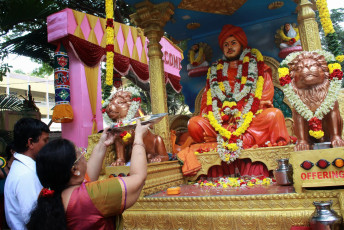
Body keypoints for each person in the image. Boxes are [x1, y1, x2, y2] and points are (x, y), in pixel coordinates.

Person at [181, 24, 290, 177]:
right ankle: (223, 137)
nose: (229, 47)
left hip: (249, 120)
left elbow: (265, 95)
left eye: (233, 43)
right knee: (193, 124)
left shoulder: (258, 67)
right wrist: (220, 118)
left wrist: (241, 114)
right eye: (226, 44)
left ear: (241, 44)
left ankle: (221, 140)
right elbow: (207, 103)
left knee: (275, 115)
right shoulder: (214, 72)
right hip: (221, 122)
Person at [27, 119, 149, 230]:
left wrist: (103, 144)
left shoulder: (48, 194)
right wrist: (138, 138)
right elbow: (138, 177)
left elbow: (87, 175)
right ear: (74, 170)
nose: (84, 156)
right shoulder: (92, 196)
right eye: (81, 153)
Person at [4, 118, 49, 230]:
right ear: (30, 143)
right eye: (45, 140)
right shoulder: (26, 175)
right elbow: (33, 220)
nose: (47, 145)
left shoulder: (23, 167)